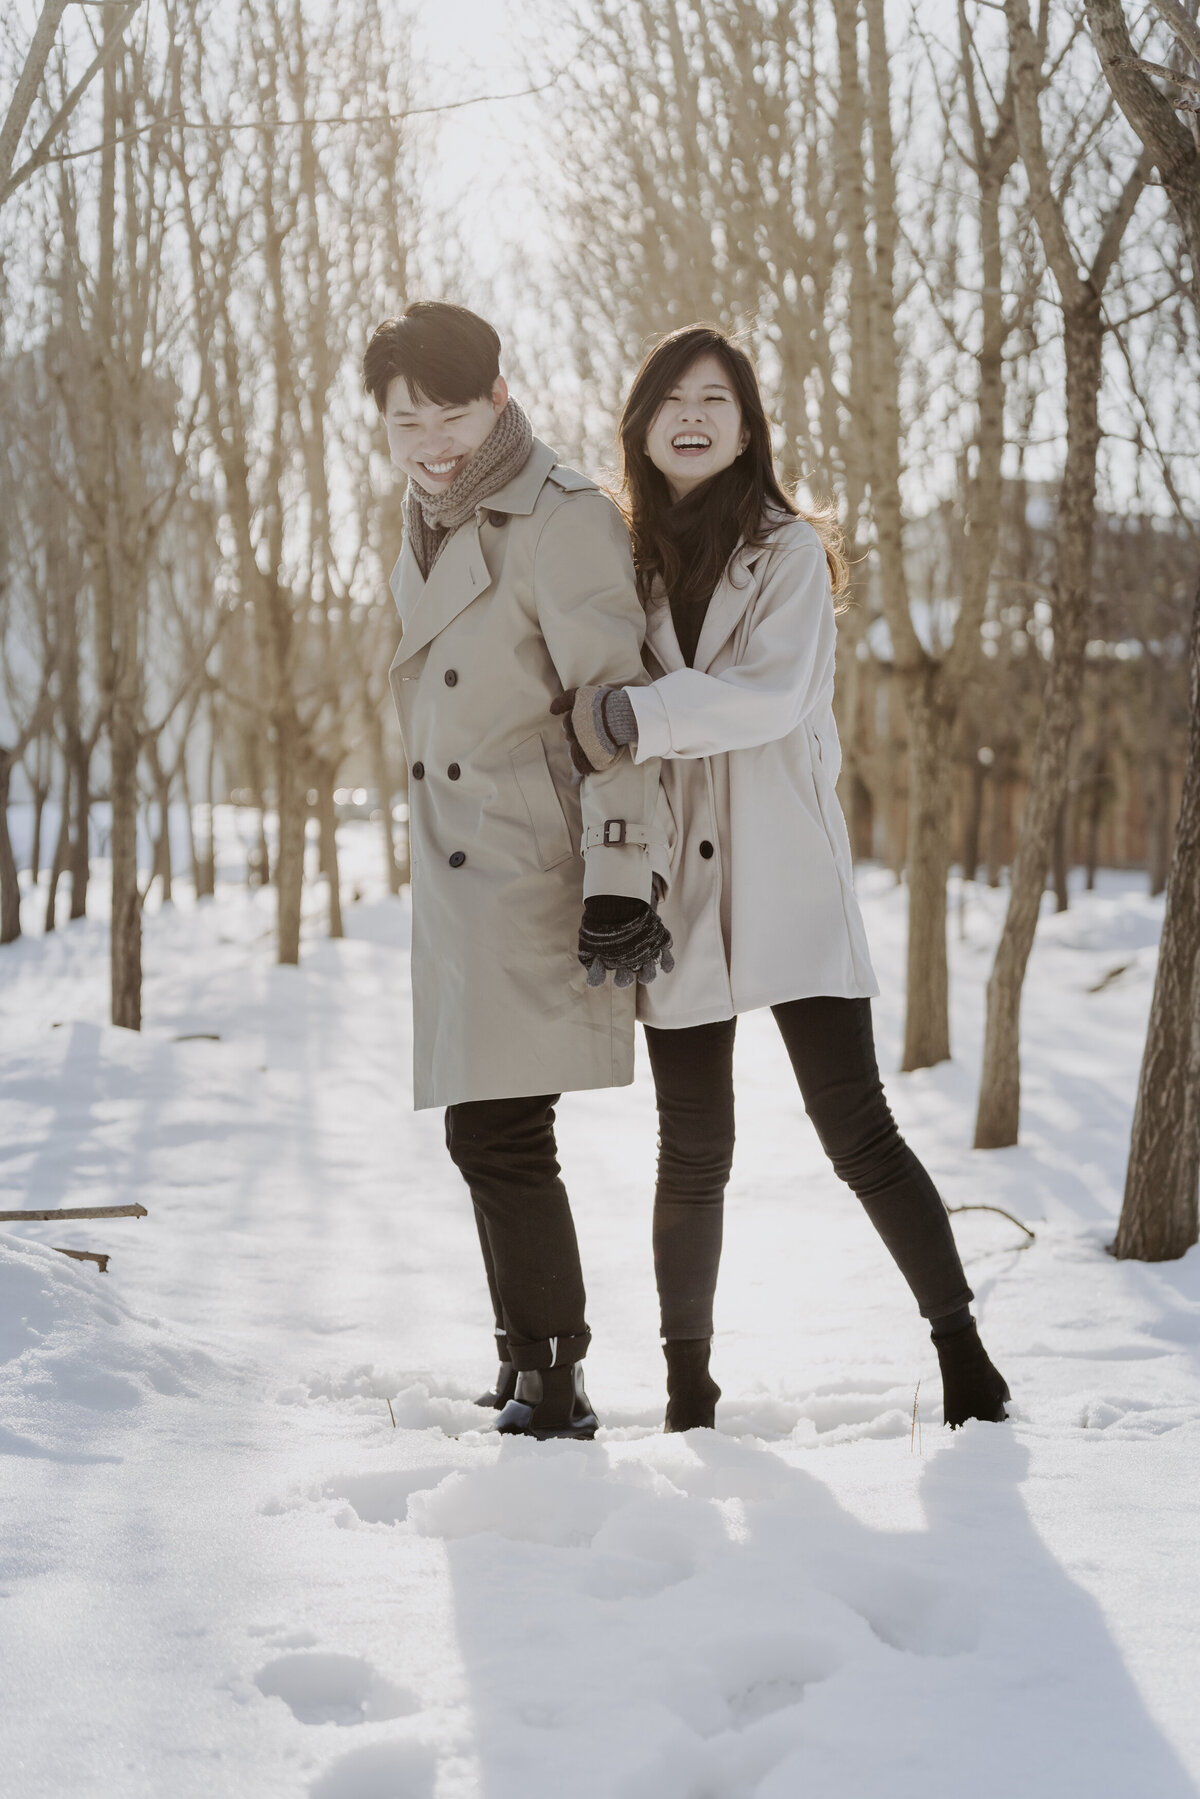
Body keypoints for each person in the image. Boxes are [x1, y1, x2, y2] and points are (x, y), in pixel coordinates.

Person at [554, 324, 1010, 1433]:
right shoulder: (624, 564)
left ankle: (963, 1348)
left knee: (857, 1128)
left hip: (789, 879)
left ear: (749, 427)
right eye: (674, 399)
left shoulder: (791, 552)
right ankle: (686, 1388)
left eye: (718, 399)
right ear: (643, 424)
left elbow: (764, 695)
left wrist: (634, 715)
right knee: (695, 1148)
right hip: (681, 893)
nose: (695, 416)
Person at [363, 301, 672, 1440]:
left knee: (501, 1130)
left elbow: (615, 710)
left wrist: (616, 878)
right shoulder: (426, 514)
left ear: (499, 397)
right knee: (479, 1128)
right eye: (405, 421)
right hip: (464, 868)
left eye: (449, 413)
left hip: (533, 864)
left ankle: (554, 1376)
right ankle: (523, 1353)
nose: (430, 440)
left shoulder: (562, 515)